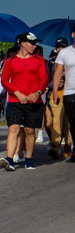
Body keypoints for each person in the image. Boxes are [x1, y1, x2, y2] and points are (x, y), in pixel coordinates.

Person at [0, 32, 48, 171]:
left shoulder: (39, 60)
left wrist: (38, 92)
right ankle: (9, 159)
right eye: (31, 43)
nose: (34, 46)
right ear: (23, 44)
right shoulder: (10, 61)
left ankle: (29, 159)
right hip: (15, 100)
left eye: (35, 43)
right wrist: (16, 92)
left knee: (29, 130)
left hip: (34, 101)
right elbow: (4, 80)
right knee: (13, 128)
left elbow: (44, 79)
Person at [53, 28, 75, 163]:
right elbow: (57, 73)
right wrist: (55, 92)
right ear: (73, 35)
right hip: (70, 92)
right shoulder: (64, 53)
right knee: (73, 123)